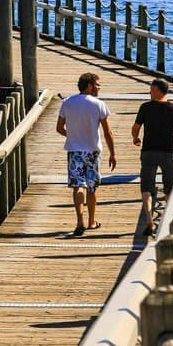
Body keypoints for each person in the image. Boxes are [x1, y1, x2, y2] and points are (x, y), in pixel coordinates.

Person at [56, 71, 116, 236]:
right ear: (89, 85)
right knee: (91, 187)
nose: (99, 88)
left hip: (74, 151)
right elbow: (107, 132)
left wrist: (74, 135)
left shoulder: (68, 102)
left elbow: (59, 128)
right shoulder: (98, 104)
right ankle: (91, 222)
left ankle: (79, 221)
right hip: (92, 152)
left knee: (78, 186)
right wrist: (113, 153)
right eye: (97, 85)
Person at [132, 76, 173, 235]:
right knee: (169, 189)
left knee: (147, 188)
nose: (149, 92)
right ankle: (167, 221)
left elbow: (135, 127)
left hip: (148, 151)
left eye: (151, 89)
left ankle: (149, 221)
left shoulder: (145, 107)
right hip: (167, 152)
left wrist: (136, 138)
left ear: (156, 91)